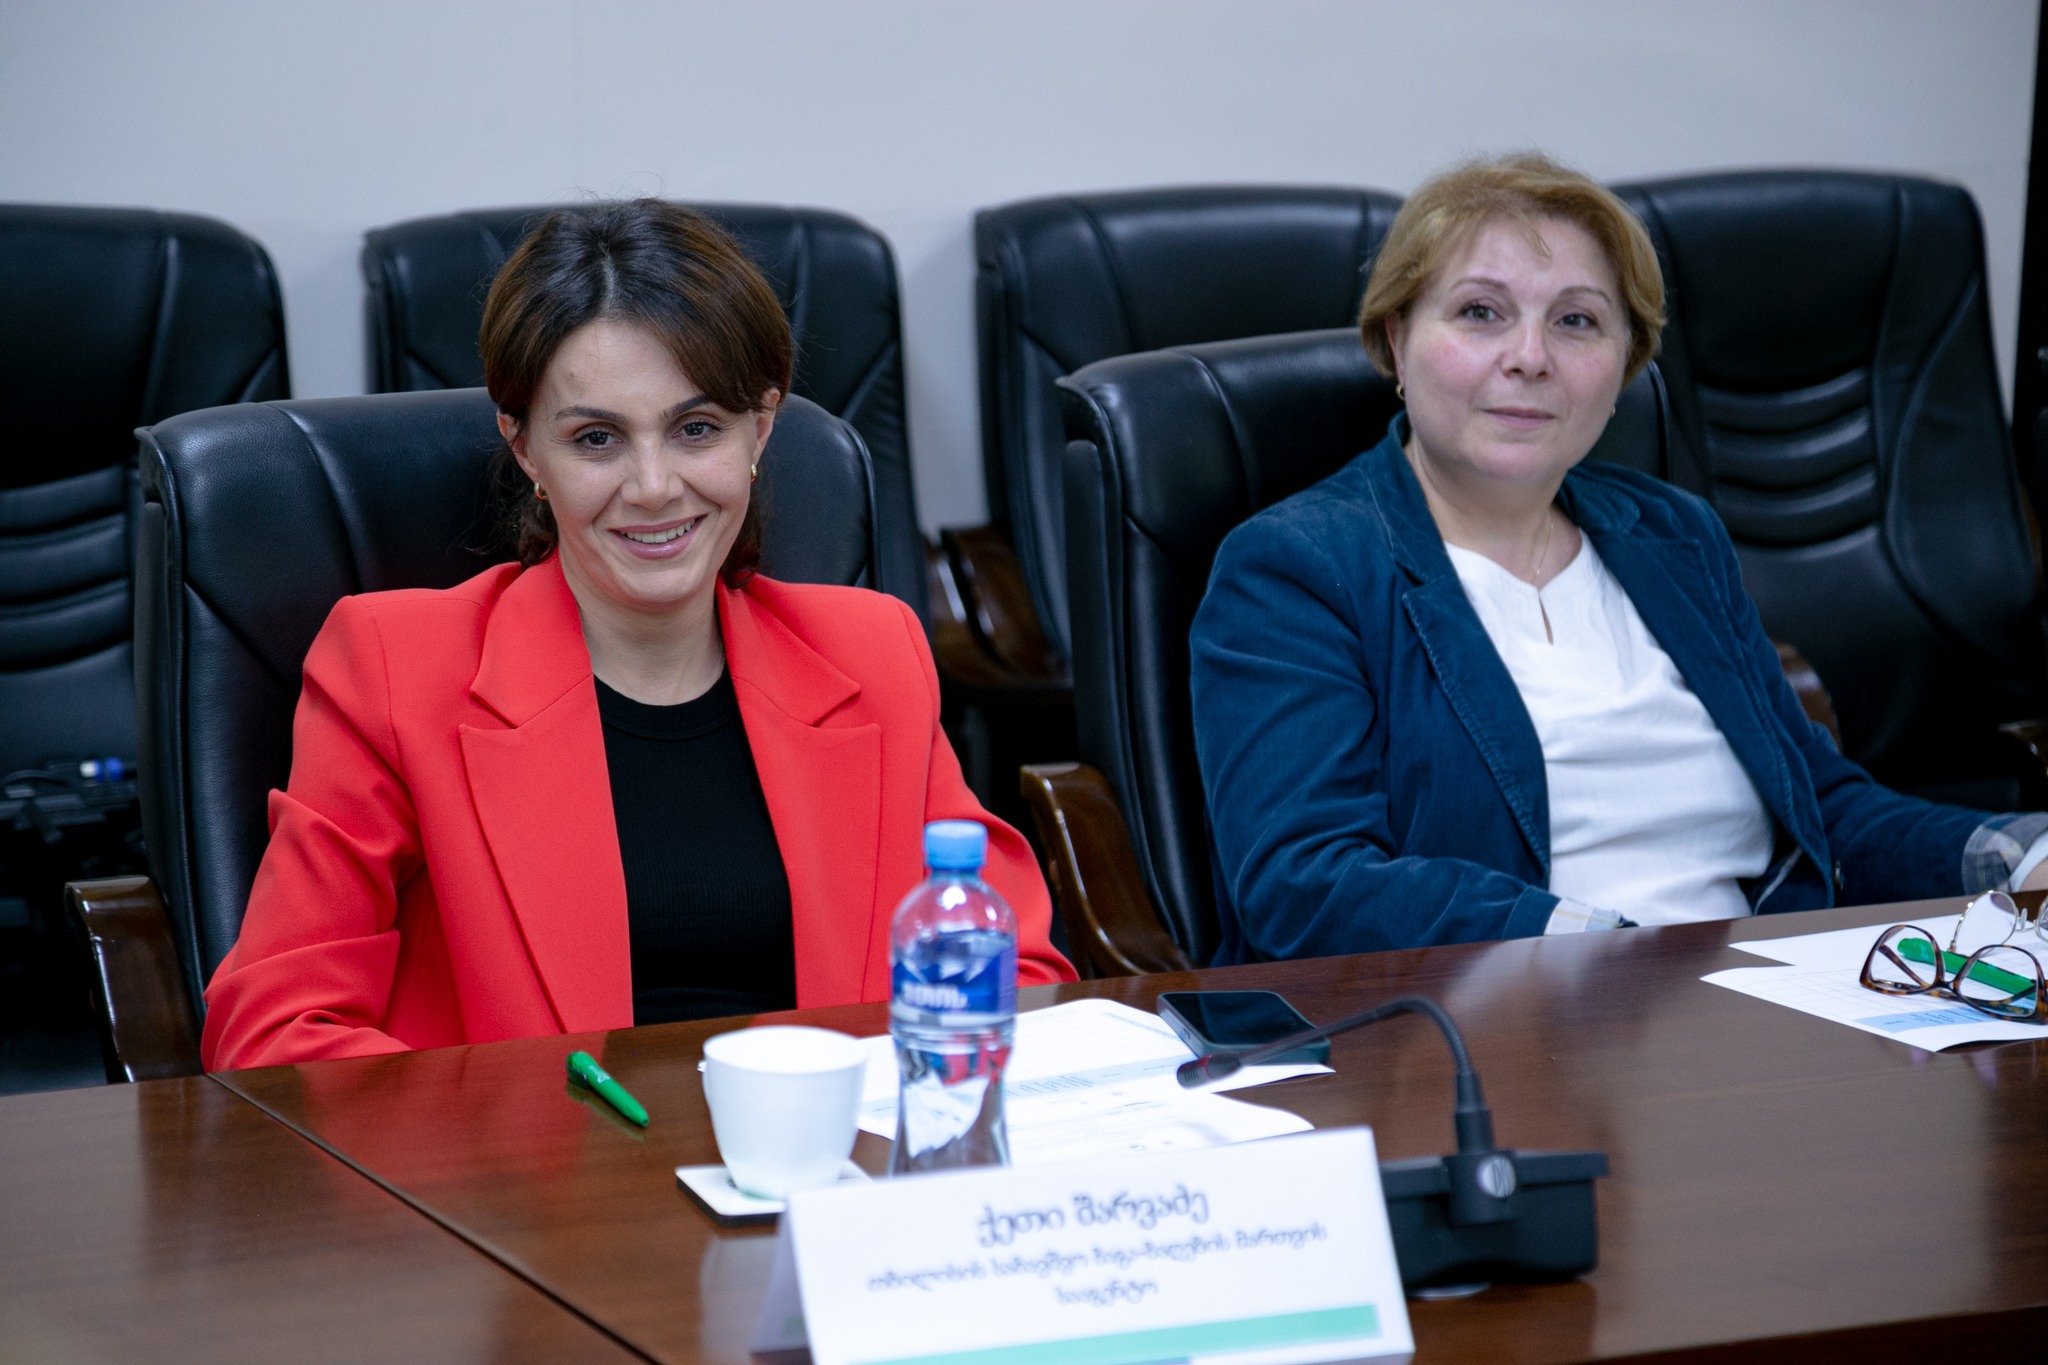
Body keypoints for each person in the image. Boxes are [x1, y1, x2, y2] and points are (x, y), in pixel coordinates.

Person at [202, 201, 1073, 1070]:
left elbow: (1016, 977)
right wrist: (516, 1140)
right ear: (525, 449)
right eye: (597, 438)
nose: (654, 486)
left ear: (761, 427)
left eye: (697, 429)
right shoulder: (394, 670)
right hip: (525, 1156)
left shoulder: (872, 653)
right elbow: (275, 1031)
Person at [1190, 153, 2048, 962]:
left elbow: (1821, 809)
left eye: (1577, 321)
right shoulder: (1298, 568)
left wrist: (2019, 855)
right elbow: (1307, 884)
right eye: (1481, 312)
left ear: (1623, 367)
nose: (1530, 357)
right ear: (1395, 341)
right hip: (1504, 1026)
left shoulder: (1673, 533)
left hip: (1762, 997)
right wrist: (1615, 953)